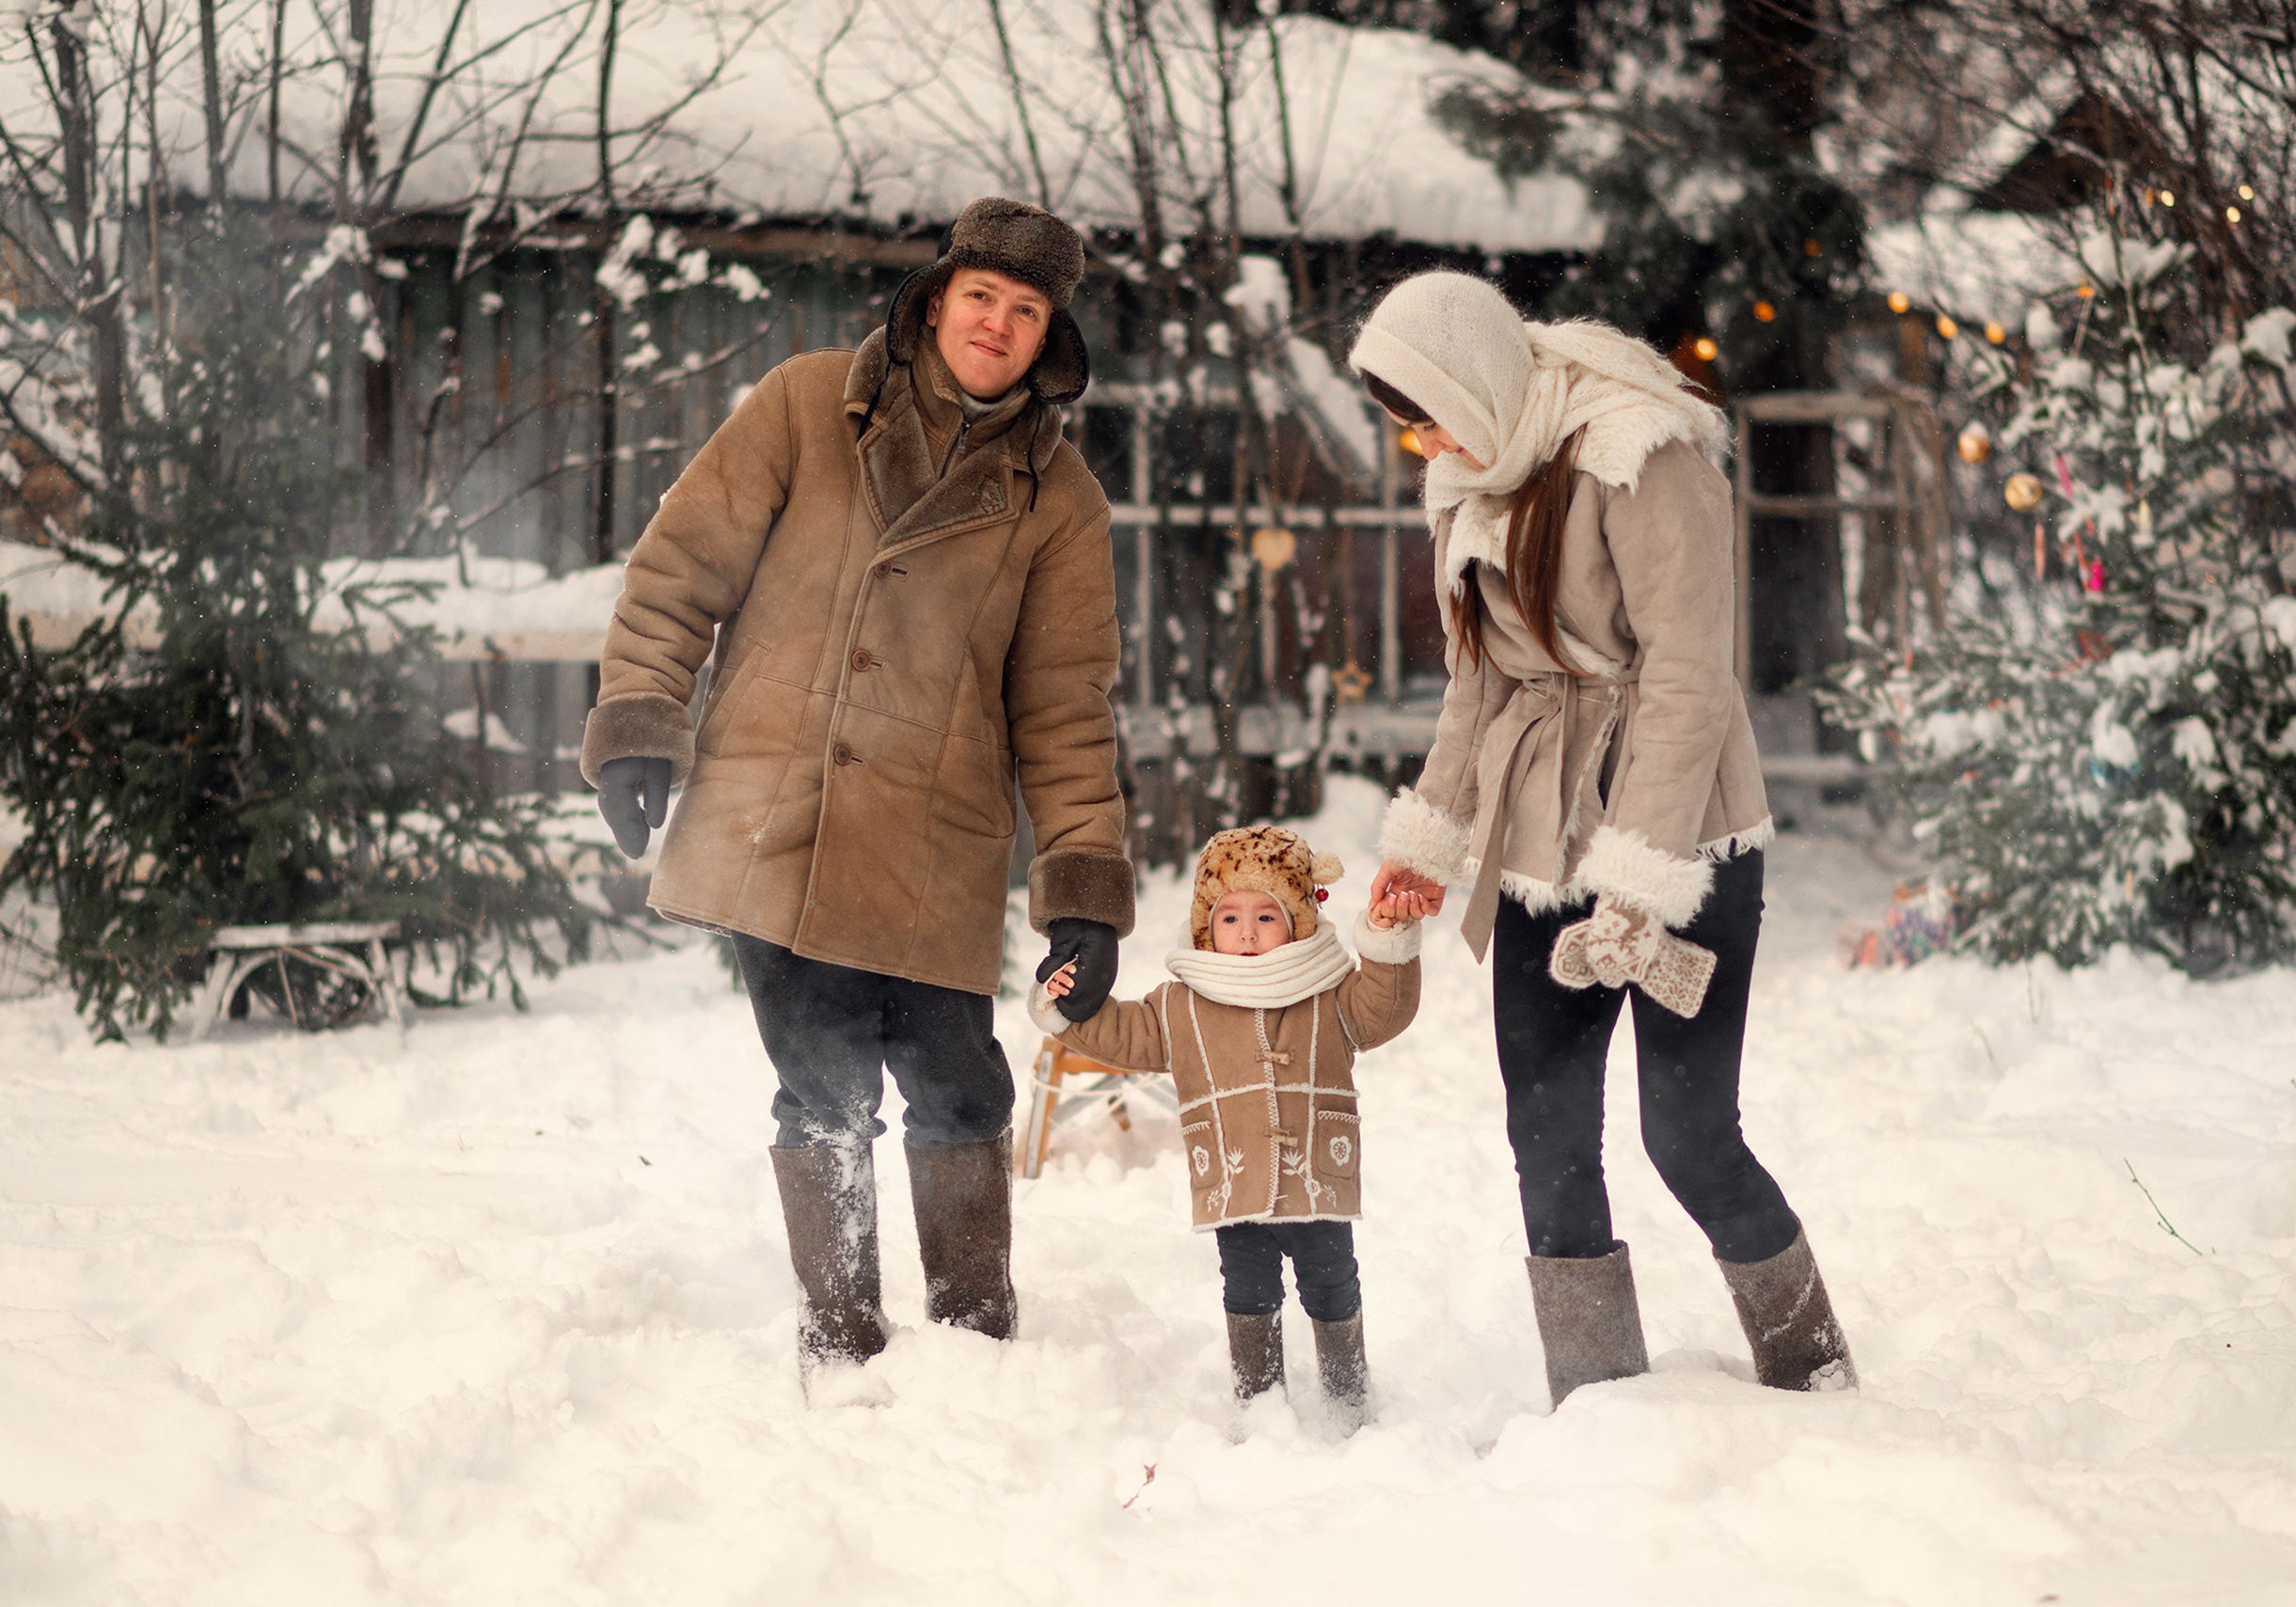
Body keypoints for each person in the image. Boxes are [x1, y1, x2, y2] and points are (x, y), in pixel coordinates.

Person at [578, 197, 1135, 1379]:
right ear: (938, 298)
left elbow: (1064, 704)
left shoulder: (1061, 500)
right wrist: (639, 718)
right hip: (779, 812)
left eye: (1026, 310)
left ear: (1048, 339)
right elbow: (680, 570)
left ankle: (976, 1340)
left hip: (934, 838)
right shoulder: (807, 403)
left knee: (958, 1087)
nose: (997, 323)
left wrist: (1081, 879)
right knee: (822, 1084)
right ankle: (842, 1347)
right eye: (981, 295)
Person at [1350, 271, 1858, 1406]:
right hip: (1537, 835)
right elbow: (1478, 680)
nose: (1419, 439)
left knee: (1687, 1134)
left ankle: (1814, 1377)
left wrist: (1639, 875)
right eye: (1405, 423)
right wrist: (1426, 838)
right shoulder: (1469, 478)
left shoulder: (1638, 451)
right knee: (1548, 1133)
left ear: (1473, 379)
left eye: (1424, 410)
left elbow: (1686, 673)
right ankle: (1596, 1405)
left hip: (1686, 833)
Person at [1031, 827, 1425, 1426]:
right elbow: (1119, 1033)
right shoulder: (1181, 1005)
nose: (1246, 933)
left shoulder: (1330, 994)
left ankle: (1348, 1397)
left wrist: (1388, 938)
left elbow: (1385, 1006)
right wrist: (1067, 998)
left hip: (1316, 1178)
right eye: (1230, 917)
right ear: (1205, 927)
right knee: (1247, 1290)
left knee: (1331, 1285)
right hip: (1235, 1184)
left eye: (1267, 916)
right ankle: (1260, 1400)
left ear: (1298, 920)